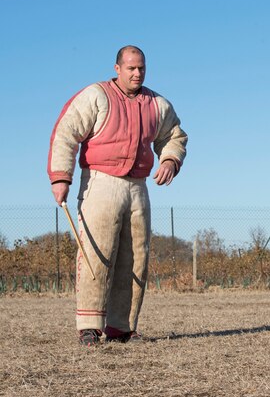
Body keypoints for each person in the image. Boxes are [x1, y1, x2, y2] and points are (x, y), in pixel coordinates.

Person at [47, 45, 188, 346]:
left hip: (138, 187)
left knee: (136, 258)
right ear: (117, 68)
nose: (137, 74)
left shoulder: (158, 104)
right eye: (131, 68)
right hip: (100, 181)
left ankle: (122, 327)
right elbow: (66, 132)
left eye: (142, 69)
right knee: (96, 252)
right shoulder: (95, 96)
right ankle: (89, 326)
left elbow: (174, 135)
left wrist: (169, 160)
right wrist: (61, 177)